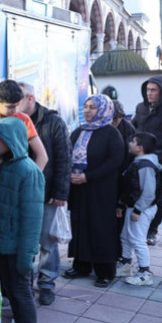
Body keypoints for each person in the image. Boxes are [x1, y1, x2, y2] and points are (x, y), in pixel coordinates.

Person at [0, 117, 46, 323]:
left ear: (12, 141)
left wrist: (27, 254)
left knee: (22, 295)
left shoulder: (28, 171)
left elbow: (32, 219)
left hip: (15, 248)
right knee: (11, 292)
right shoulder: (2, 165)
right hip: (1, 246)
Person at [16, 83, 71, 306]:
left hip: (46, 192)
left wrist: (60, 192)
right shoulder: (14, 120)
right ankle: (25, 283)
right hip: (21, 192)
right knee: (24, 240)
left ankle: (47, 283)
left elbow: (64, 158)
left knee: (46, 241)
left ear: (30, 98)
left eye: (17, 99)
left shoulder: (53, 121)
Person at [63, 94, 124, 287]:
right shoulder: (78, 131)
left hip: (101, 190)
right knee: (80, 225)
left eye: (93, 107)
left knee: (101, 228)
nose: (87, 110)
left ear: (104, 110)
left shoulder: (111, 133)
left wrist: (88, 177)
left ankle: (105, 270)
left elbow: (114, 161)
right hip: (79, 189)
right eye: (86, 106)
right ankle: (81, 265)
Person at [132, 75, 162, 246]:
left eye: (154, 90)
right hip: (138, 160)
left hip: (159, 162)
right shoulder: (140, 108)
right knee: (137, 192)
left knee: (157, 197)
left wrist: (161, 158)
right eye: (148, 90)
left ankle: (152, 230)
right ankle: (137, 224)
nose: (150, 93)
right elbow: (134, 128)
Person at [116, 132, 161, 286]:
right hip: (133, 206)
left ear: (140, 147)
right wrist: (123, 205)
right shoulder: (139, 162)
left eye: (133, 141)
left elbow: (148, 193)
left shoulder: (145, 165)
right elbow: (129, 187)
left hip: (141, 208)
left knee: (137, 239)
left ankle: (144, 272)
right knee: (126, 236)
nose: (129, 144)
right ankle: (126, 265)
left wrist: (137, 210)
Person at [0, 80, 48, 170]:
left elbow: (42, 156)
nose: (14, 111)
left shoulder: (23, 119)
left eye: (16, 106)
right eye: (10, 107)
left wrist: (33, 179)